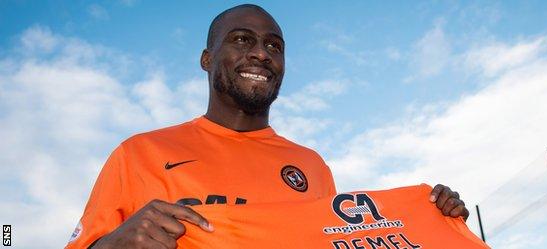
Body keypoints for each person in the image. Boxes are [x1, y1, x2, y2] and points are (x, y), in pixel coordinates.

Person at [65, 4, 469, 249]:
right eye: (241, 40)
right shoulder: (139, 154)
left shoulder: (310, 165)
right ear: (207, 58)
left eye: (274, 46)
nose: (260, 53)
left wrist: (435, 219)